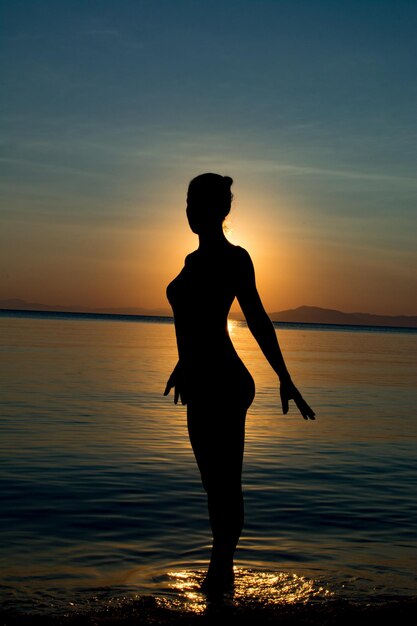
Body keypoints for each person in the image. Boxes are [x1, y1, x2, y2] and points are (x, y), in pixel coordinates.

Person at [164, 173, 315, 593]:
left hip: (226, 383)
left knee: (225, 483)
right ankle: (221, 572)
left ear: (220, 210)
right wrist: (183, 362)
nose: (191, 211)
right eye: (188, 202)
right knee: (213, 483)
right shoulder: (191, 262)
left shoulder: (236, 258)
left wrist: (285, 377)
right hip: (200, 380)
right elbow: (198, 321)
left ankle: (221, 573)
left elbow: (257, 319)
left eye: (199, 204)